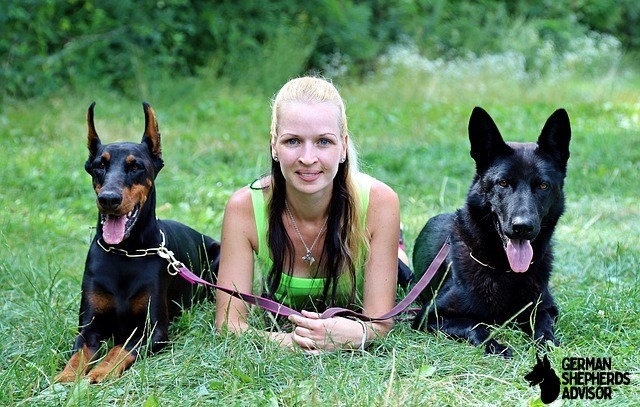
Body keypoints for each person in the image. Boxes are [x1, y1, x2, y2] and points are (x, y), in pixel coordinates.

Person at [215, 76, 409, 352]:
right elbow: (229, 325)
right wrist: (294, 342)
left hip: (373, 231)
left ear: (343, 146)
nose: (308, 158)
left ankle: (396, 242)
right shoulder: (243, 208)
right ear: (274, 145)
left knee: (400, 264)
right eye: (293, 141)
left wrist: (357, 333)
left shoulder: (381, 202)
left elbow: (379, 324)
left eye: (323, 142)